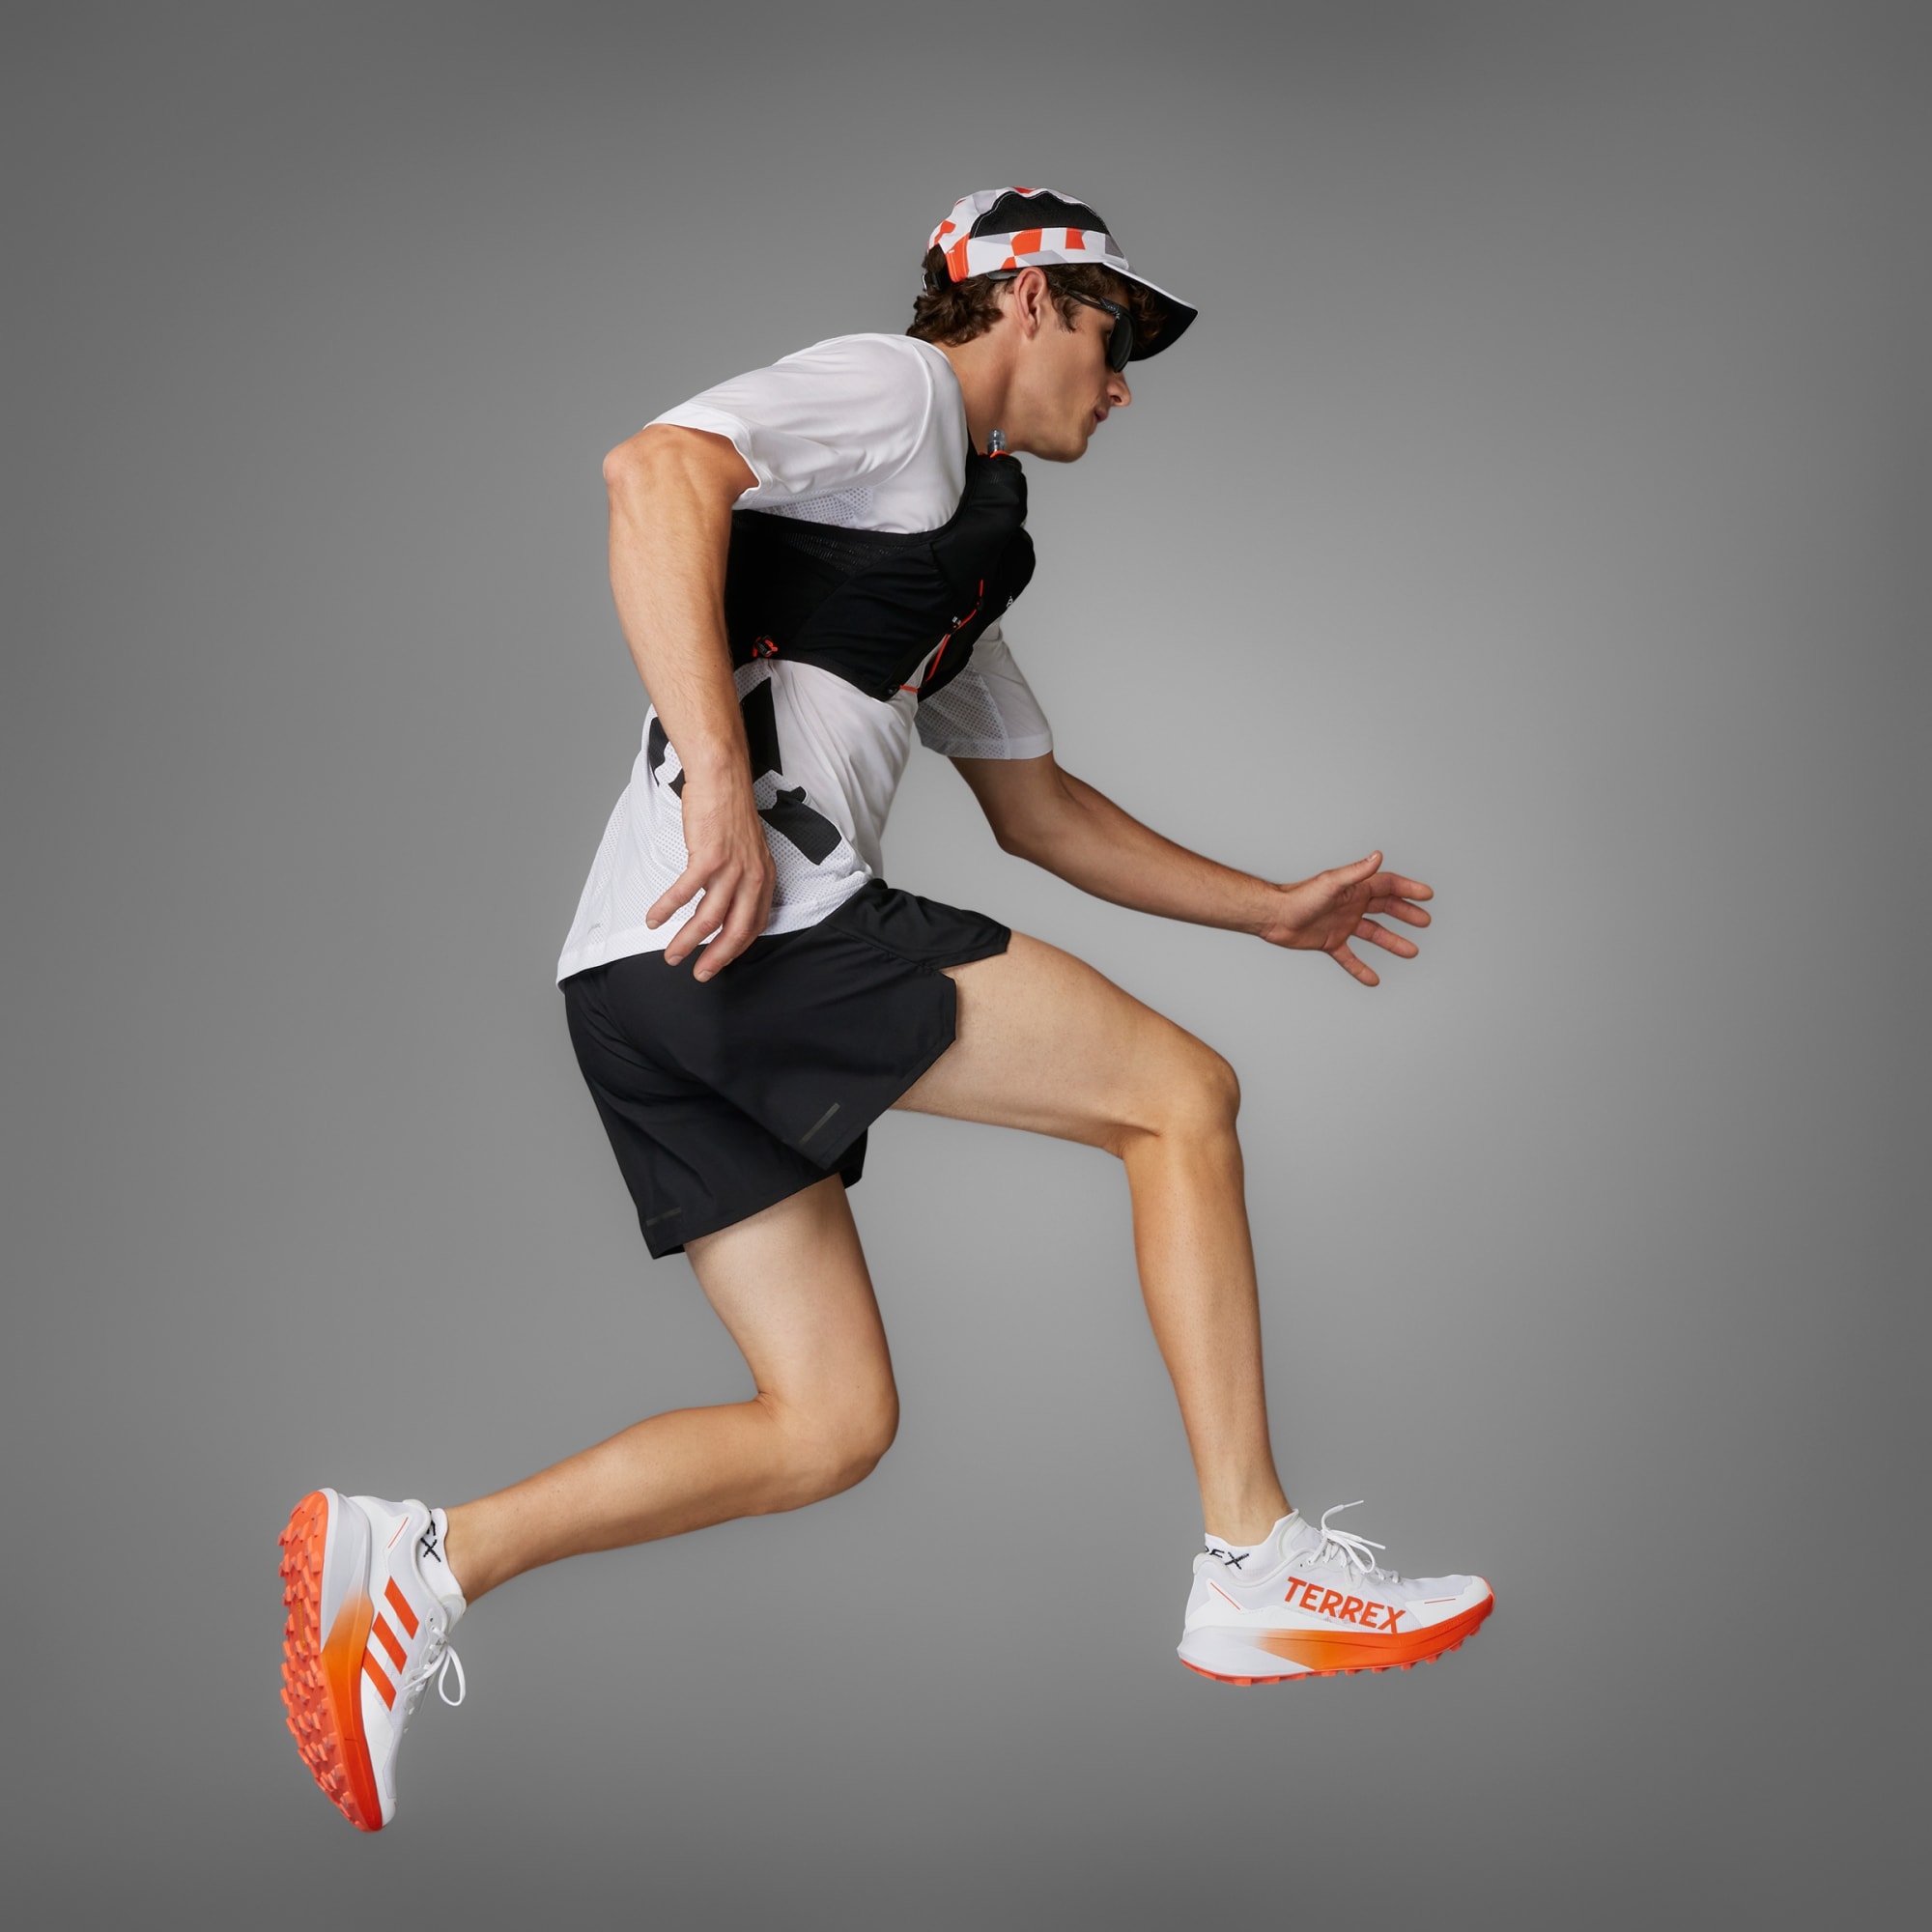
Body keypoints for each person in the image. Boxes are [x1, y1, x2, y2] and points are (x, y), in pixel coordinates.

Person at [277, 187, 1494, 1833]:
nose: (1124, 383)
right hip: (758, 920)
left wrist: (1269, 906)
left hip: (629, 976)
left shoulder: (948, 552)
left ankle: (422, 1559)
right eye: (1116, 336)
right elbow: (654, 471)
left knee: (829, 1425)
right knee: (1181, 1099)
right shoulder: (903, 391)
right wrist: (722, 782)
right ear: (1027, 301)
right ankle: (1253, 1556)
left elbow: (1041, 813)